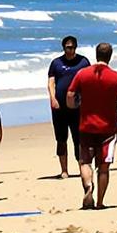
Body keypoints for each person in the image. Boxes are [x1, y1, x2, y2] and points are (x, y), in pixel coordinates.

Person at [68, 41, 117, 209]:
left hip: (86, 127)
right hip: (108, 129)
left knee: (85, 162)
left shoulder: (82, 74)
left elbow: (70, 95)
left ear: (96, 55)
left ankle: (88, 186)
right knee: (103, 168)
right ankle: (101, 202)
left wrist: (73, 106)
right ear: (110, 56)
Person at [45, 35, 89, 178]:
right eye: (67, 47)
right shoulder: (56, 63)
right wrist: (52, 98)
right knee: (61, 139)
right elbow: (51, 83)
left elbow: (90, 81)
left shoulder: (83, 62)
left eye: (72, 47)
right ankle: (64, 170)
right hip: (59, 108)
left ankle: (81, 166)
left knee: (79, 139)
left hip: (78, 108)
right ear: (63, 48)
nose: (70, 50)